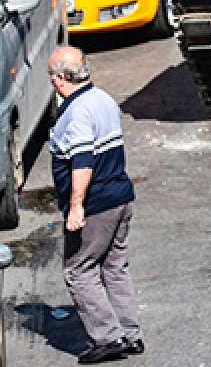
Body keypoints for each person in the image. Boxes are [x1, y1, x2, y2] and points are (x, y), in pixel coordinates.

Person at [47, 45, 140, 364]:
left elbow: (83, 163)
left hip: (96, 205)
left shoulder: (76, 113)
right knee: (115, 267)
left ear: (60, 79)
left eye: (51, 77)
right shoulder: (103, 99)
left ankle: (108, 338)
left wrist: (76, 207)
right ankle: (131, 334)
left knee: (79, 270)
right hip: (120, 197)